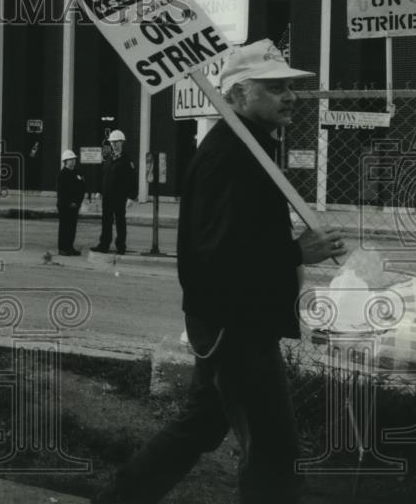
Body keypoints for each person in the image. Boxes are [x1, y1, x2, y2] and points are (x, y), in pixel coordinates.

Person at [93, 39, 347, 504]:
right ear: (236, 95)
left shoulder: (246, 148)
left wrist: (293, 247)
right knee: (274, 447)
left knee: (202, 422)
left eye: (290, 86)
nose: (289, 96)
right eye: (274, 87)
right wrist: (296, 252)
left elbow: (238, 240)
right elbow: (217, 256)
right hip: (237, 325)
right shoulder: (231, 157)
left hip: (232, 319)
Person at [93, 130, 136, 255]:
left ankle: (121, 246)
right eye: (112, 142)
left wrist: (132, 197)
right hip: (107, 196)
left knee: (120, 222)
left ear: (122, 143)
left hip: (119, 196)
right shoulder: (108, 158)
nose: (114, 144)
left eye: (117, 142)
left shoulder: (127, 160)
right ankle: (104, 245)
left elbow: (133, 179)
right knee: (106, 221)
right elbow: (103, 176)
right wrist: (99, 191)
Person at [57, 149, 86, 255]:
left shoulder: (77, 173)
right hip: (65, 206)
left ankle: (70, 247)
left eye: (74, 159)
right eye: (70, 159)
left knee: (72, 227)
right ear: (65, 162)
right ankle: (63, 248)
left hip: (75, 205)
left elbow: (82, 187)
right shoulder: (63, 175)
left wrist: (78, 202)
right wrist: (70, 202)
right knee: (65, 227)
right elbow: (63, 192)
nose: (73, 161)